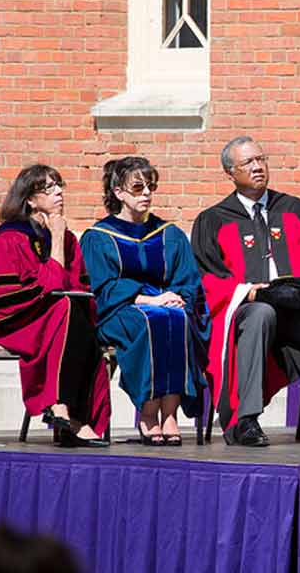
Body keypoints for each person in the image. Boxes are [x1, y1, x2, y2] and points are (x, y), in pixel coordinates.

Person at [191, 135, 300, 448]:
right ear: (230, 173)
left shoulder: (295, 210)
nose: (257, 168)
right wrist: (251, 294)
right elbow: (207, 280)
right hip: (251, 313)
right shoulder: (213, 220)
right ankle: (248, 420)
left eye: (261, 159)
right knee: (261, 312)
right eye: (247, 163)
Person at [0, 164, 110, 447]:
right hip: (3, 322)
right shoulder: (7, 240)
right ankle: (61, 407)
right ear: (30, 199)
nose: (59, 191)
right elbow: (31, 292)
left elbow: (75, 288)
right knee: (64, 308)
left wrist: (60, 238)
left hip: (50, 318)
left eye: (59, 185)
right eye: (49, 188)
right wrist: (57, 238)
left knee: (75, 313)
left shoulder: (68, 238)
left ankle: (68, 414)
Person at [80, 157, 210, 447]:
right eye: (138, 188)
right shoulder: (98, 237)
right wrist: (148, 299)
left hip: (163, 306)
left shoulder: (169, 234)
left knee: (177, 317)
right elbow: (102, 288)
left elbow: (188, 280)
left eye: (150, 187)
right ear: (118, 192)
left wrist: (177, 298)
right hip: (120, 311)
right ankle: (148, 411)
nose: (147, 194)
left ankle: (170, 412)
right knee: (149, 320)